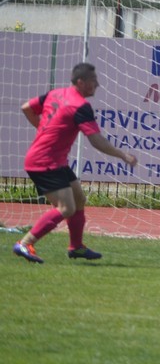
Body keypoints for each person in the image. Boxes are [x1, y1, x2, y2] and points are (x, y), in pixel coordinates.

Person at [13, 62, 138, 264]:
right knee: (66, 208)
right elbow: (96, 141)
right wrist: (123, 155)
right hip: (44, 162)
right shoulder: (80, 106)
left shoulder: (55, 93)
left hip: (54, 161)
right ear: (81, 82)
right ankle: (25, 243)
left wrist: (41, 128)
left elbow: (26, 107)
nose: (97, 85)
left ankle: (76, 247)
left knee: (79, 199)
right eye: (93, 81)